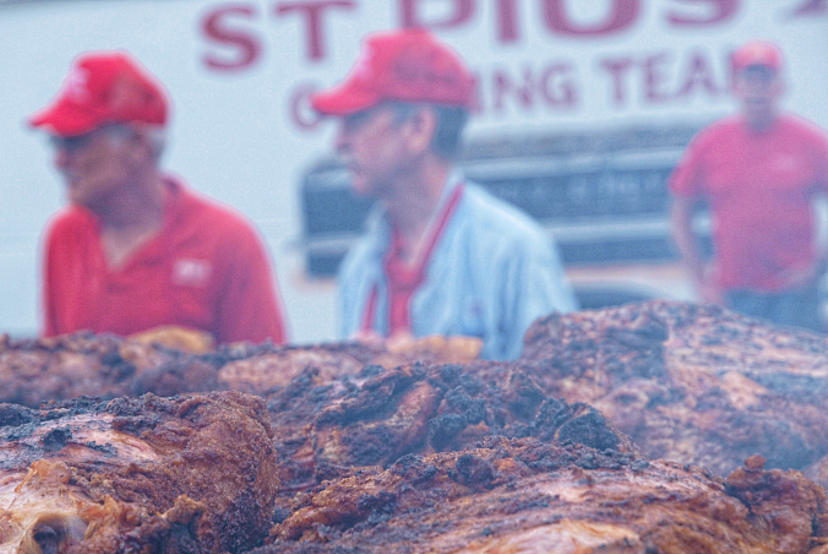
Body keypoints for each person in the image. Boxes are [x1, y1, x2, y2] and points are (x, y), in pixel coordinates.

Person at [310, 28, 576, 361]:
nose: (339, 142)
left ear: (419, 127)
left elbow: (558, 389)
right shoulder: (358, 266)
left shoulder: (513, 249)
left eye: (357, 120)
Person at [29, 51, 286, 344]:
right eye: (55, 142)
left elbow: (266, 375)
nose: (59, 161)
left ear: (138, 144)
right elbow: (55, 367)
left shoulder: (227, 239)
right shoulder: (64, 236)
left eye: (75, 141)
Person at [669, 40, 828, 331]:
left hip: (794, 294)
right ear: (735, 86)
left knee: (800, 372)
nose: (757, 88)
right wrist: (701, 282)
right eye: (749, 79)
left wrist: (817, 268)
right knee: (737, 375)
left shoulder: (809, 142)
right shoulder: (711, 143)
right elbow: (681, 215)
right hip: (733, 295)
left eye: (765, 79)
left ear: (779, 85)